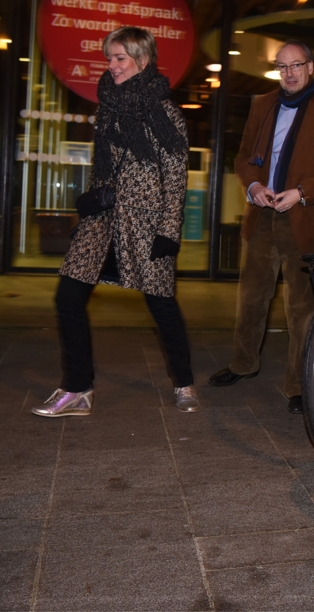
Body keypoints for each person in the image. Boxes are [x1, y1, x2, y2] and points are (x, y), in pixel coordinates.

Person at [34, 26, 196, 417]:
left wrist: (169, 231)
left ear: (142, 60)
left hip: (146, 222)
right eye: (109, 58)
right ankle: (78, 389)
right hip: (103, 218)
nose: (112, 65)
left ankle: (184, 382)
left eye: (120, 58)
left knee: (161, 305)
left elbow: (176, 177)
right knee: (67, 297)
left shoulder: (166, 113)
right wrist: (91, 204)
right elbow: (102, 166)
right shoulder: (107, 108)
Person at [208, 40, 314, 414]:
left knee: (302, 309)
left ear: (310, 67)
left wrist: (302, 192)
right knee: (251, 298)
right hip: (261, 216)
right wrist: (254, 187)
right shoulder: (263, 104)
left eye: (296, 65)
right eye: (282, 66)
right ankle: (243, 364)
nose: (289, 73)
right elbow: (244, 158)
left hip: (304, 218)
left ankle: (299, 385)